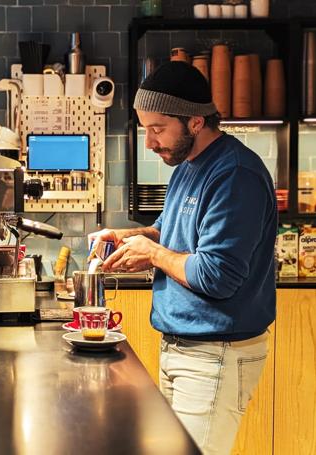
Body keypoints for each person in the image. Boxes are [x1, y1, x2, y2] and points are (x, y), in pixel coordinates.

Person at [90, 61, 277, 455]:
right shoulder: (188, 167)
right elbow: (169, 231)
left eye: (158, 129)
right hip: (182, 348)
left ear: (194, 122)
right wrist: (130, 236)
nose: (150, 143)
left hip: (216, 354)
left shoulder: (235, 174)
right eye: (146, 129)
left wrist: (154, 254)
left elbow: (217, 276)